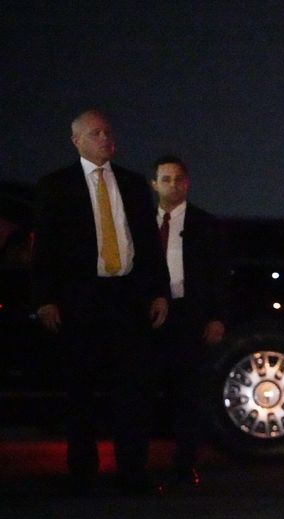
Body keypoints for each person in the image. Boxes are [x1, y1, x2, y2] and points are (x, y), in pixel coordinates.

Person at [32, 110, 170, 495]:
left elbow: (148, 243)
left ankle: (133, 472)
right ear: (76, 140)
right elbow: (45, 248)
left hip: (126, 297)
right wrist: (45, 299)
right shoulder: (55, 186)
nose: (105, 138)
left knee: (132, 389)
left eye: (108, 132)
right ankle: (82, 473)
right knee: (80, 389)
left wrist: (158, 291)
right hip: (80, 300)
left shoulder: (131, 183)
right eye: (96, 133)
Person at [150, 155, 226, 489]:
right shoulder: (139, 223)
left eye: (178, 179)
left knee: (187, 392)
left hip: (188, 315)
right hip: (149, 315)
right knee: (146, 390)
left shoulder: (205, 224)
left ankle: (184, 464)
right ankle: (138, 466)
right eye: (165, 179)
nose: (172, 185)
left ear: (187, 183)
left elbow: (218, 275)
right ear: (154, 184)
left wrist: (217, 317)